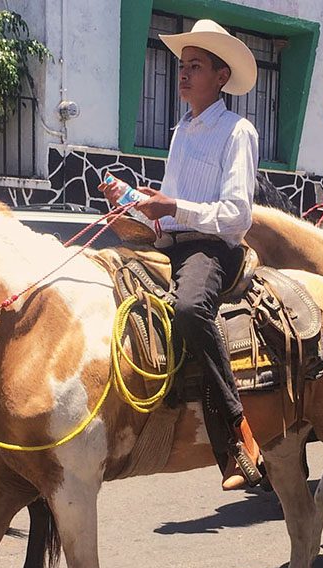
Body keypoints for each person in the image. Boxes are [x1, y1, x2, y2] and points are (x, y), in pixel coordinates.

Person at [100, 19, 261, 491]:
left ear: (221, 77)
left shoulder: (238, 131)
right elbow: (165, 213)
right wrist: (134, 202)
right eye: (183, 66)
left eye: (195, 66)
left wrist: (173, 207)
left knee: (190, 309)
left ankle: (235, 430)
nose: (184, 75)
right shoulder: (182, 131)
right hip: (172, 243)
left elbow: (237, 217)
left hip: (213, 248)